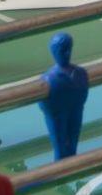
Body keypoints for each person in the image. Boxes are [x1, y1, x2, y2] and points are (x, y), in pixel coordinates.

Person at [39, 31, 91, 159]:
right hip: (57, 114)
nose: (67, 54)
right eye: (63, 51)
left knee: (73, 144)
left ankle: (72, 165)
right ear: (54, 52)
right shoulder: (48, 79)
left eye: (69, 50)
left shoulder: (80, 72)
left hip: (75, 109)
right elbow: (44, 104)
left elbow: (83, 92)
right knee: (60, 147)